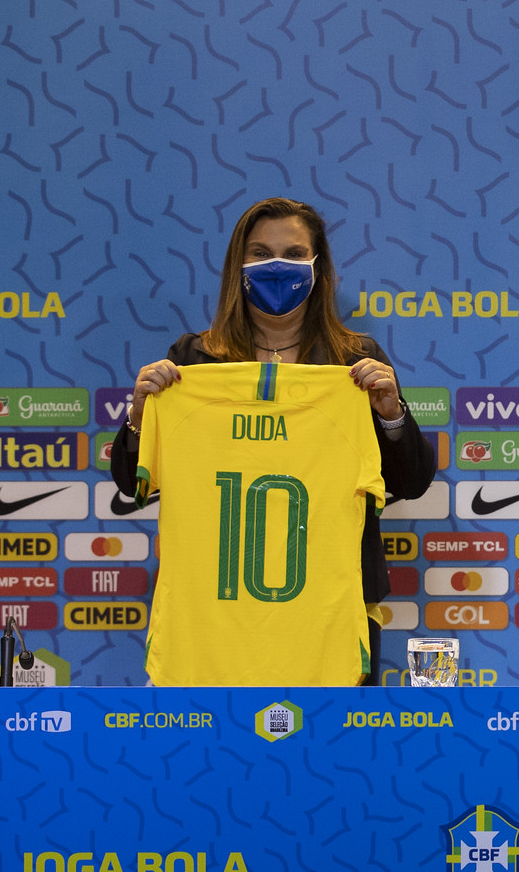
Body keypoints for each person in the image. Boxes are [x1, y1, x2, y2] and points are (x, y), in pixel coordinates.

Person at [110, 197, 435, 684]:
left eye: (294, 253)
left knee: (331, 737)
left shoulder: (353, 362)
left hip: (330, 613)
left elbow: (412, 480)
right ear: (237, 266)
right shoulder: (194, 360)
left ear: (317, 266)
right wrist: (140, 416)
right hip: (214, 617)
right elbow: (129, 481)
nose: (277, 267)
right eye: (261, 254)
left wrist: (391, 415)